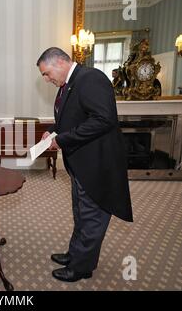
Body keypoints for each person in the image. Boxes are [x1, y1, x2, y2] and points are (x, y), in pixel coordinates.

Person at [36, 47, 133, 282]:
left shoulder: (91, 79)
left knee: (92, 216)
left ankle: (81, 268)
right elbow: (71, 119)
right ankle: (75, 255)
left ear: (60, 62)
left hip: (97, 165)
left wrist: (61, 140)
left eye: (47, 73)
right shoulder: (69, 84)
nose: (47, 80)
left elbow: (103, 120)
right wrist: (51, 131)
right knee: (81, 213)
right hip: (81, 163)